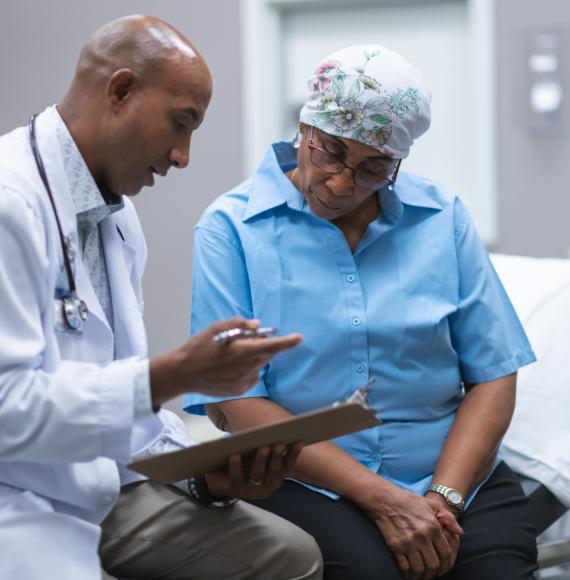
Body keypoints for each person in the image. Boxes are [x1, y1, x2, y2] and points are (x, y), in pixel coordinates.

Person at [184, 44, 539, 579]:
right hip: (308, 480)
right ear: (305, 127)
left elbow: (494, 374)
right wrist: (384, 501)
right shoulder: (231, 230)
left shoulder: (443, 218)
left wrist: (443, 499)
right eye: (328, 151)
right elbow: (241, 404)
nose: (342, 183)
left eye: (373, 168)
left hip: (454, 477)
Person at [0, 15, 323, 580]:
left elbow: (117, 397)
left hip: (102, 483)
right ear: (120, 91)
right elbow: (7, 409)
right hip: (19, 495)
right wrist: (167, 376)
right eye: (181, 124)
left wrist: (202, 471)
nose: (183, 156)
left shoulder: (118, 221)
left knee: (290, 559)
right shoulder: (11, 204)